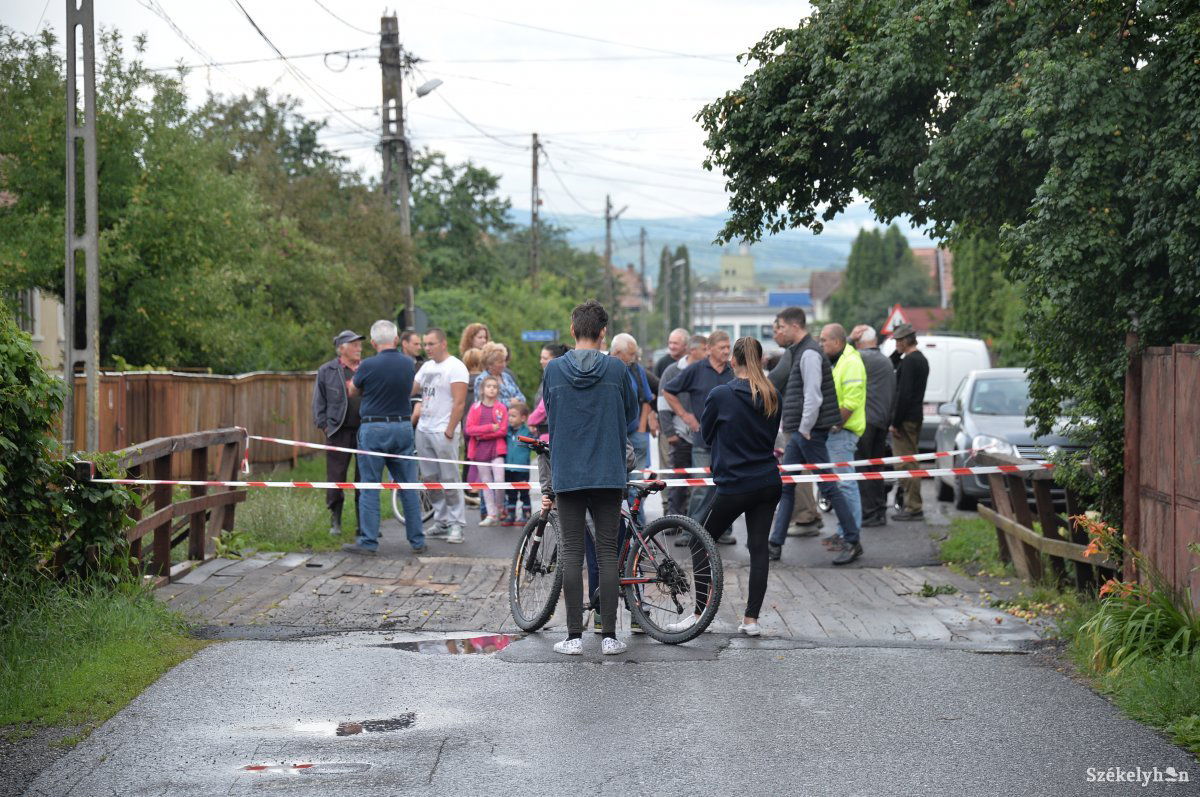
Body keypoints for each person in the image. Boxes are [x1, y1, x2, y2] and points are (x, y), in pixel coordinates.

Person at [665, 337, 781, 637]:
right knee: (758, 549)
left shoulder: (721, 394)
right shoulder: (771, 394)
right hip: (767, 480)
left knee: (698, 540)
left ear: (733, 361)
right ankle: (751, 620)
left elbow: (706, 432)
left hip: (734, 482)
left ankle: (701, 614)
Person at [542, 299, 638, 656]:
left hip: (568, 471)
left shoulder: (553, 370)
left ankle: (572, 637)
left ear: (572, 330)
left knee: (571, 553)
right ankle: (611, 636)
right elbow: (630, 411)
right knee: (608, 553)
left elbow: (550, 415)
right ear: (603, 333)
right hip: (608, 471)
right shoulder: (616, 370)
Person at [766, 307, 861, 565]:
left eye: (782, 327)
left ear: (795, 326)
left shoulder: (808, 353)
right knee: (787, 486)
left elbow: (813, 396)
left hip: (806, 432)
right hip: (802, 430)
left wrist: (804, 429)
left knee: (828, 486)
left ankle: (852, 540)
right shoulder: (802, 351)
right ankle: (774, 544)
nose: (779, 332)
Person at [345, 320, 423, 554]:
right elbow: (411, 389)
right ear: (397, 340)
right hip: (402, 426)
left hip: (374, 428)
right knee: (408, 486)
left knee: (370, 485)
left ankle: (369, 542)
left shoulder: (367, 365)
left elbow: (353, 391)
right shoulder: (408, 364)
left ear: (372, 342)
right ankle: (417, 540)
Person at [664, 330, 735, 545]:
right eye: (722, 347)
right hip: (703, 442)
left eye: (727, 347)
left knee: (724, 488)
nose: (726, 351)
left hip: (728, 442)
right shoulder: (696, 370)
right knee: (701, 488)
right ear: (709, 348)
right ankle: (691, 532)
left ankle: (721, 531)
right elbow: (669, 391)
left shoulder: (733, 371)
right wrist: (686, 416)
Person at [411, 327, 469, 544]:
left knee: (449, 477)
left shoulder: (455, 367)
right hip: (424, 427)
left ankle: (457, 523)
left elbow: (459, 402)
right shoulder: (426, 366)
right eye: (424, 344)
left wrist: (450, 428)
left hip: (443, 429)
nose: (427, 348)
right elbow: (413, 388)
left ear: (443, 344)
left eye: (431, 344)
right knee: (430, 478)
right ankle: (441, 519)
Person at [769, 315, 823, 538]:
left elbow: (773, 382)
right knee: (798, 474)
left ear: (793, 326)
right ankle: (808, 516)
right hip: (801, 421)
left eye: (778, 329)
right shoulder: (802, 350)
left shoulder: (796, 352)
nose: (775, 335)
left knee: (796, 475)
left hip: (800, 423)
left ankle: (805, 517)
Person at [819, 323, 867, 560]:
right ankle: (843, 531)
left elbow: (851, 401)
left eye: (824, 341)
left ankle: (851, 534)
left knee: (846, 484)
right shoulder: (842, 359)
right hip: (838, 432)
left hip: (843, 432)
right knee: (840, 485)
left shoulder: (851, 362)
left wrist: (835, 424)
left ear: (837, 343)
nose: (821, 345)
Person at [311, 329, 365, 538]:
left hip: (364, 431)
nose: (359, 348)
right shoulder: (327, 370)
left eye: (360, 345)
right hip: (337, 430)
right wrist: (324, 426)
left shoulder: (365, 368)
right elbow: (319, 402)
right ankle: (335, 521)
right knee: (336, 477)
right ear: (341, 348)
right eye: (354, 345)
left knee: (365, 477)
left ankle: (364, 524)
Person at [851, 324, 896, 527]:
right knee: (876, 468)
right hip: (881, 422)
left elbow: (840, 357)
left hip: (865, 422)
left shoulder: (861, 358)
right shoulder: (885, 361)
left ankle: (868, 513)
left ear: (860, 342)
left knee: (862, 468)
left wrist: (849, 339)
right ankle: (879, 510)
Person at [658, 334, 706, 518]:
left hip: (702, 437)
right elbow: (663, 403)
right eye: (705, 349)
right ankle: (675, 520)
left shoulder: (707, 370)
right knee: (678, 481)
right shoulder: (672, 371)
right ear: (692, 350)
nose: (708, 353)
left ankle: (698, 523)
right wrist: (670, 432)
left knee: (702, 483)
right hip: (681, 436)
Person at [890, 323, 929, 521]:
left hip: (905, 420)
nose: (896, 344)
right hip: (915, 416)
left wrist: (895, 423)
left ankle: (914, 507)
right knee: (910, 460)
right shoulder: (920, 359)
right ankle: (912, 505)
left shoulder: (910, 362)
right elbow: (891, 363)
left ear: (906, 341)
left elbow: (903, 395)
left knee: (905, 464)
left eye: (898, 340)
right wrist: (898, 353)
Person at [465, 375, 509, 526]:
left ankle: (500, 507)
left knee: (499, 480)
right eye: (489, 386)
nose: (492, 389)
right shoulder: (475, 407)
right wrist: (490, 428)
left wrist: (481, 434)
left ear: (498, 390)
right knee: (486, 483)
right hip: (480, 450)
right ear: (482, 389)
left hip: (496, 449)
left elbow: (503, 430)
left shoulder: (501, 408)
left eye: (495, 386)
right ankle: (491, 514)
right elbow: (469, 430)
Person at [503, 400, 533, 525]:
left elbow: (533, 445)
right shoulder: (506, 432)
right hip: (508, 469)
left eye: (513, 416)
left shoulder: (527, 432)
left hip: (522, 470)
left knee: (524, 493)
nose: (510, 418)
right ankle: (511, 514)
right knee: (511, 493)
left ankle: (526, 515)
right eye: (509, 415)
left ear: (523, 418)